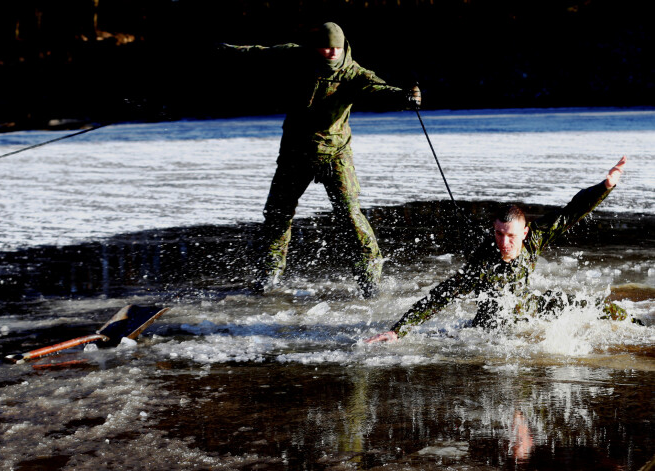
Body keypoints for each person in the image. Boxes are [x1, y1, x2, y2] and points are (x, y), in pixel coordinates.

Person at [217, 22, 421, 297]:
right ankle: (267, 273)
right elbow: (259, 52)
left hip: (336, 153)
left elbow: (377, 88)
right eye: (326, 47)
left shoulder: (353, 72)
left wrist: (405, 97)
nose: (331, 52)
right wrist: (224, 50)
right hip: (295, 152)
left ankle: (369, 277)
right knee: (277, 214)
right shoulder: (296, 55)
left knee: (350, 213)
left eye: (336, 47)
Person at [365, 156, 633, 343]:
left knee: (593, 306)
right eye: (499, 234)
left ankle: (641, 328)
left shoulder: (535, 237)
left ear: (524, 233)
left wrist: (605, 186)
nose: (504, 243)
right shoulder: (483, 265)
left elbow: (570, 212)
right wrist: (398, 331)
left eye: (511, 236)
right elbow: (440, 296)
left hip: (526, 306)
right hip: (493, 324)